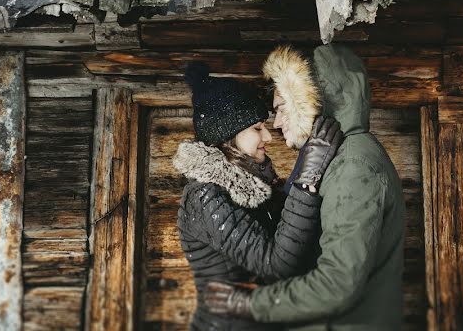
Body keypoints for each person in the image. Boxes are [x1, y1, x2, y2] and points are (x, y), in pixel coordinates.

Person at [201, 44, 406, 330]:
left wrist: (251, 303)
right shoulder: (335, 158)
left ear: (311, 102)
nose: (278, 123)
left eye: (283, 109)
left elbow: (337, 284)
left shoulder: (353, 166)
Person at [174, 61, 344, 330]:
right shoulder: (206, 196)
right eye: (256, 128)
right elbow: (275, 263)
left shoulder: (254, 180)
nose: (268, 136)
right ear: (228, 135)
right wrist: (307, 179)